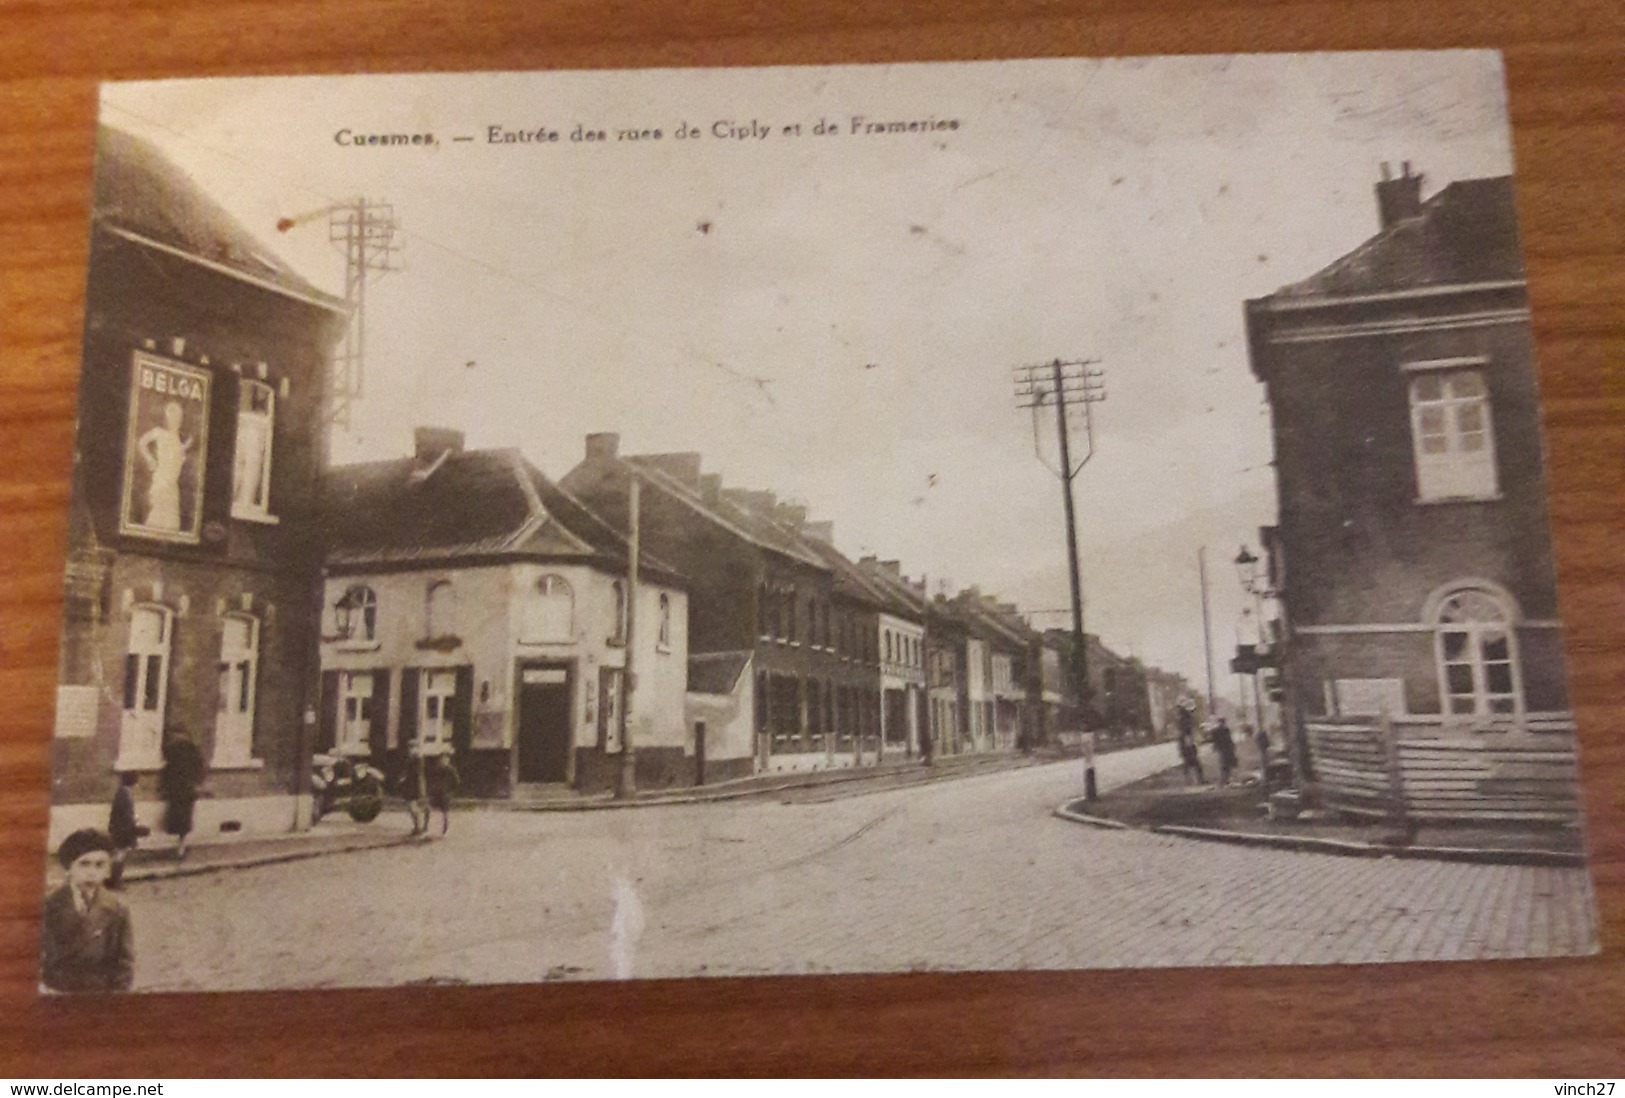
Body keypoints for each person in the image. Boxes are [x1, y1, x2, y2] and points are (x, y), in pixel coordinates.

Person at [40, 828, 134, 993]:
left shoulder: (117, 909)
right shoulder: (49, 906)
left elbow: (124, 964)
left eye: (100, 865)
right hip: (58, 994)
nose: (92, 873)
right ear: (69, 868)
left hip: (99, 996)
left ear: (108, 871)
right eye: (84, 864)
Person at [136, 400, 191, 531]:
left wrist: (184, 450)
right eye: (173, 417)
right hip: (162, 481)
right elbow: (142, 442)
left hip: (172, 485)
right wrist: (150, 459)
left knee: (171, 520)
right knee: (159, 514)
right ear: (167, 418)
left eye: (179, 418)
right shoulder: (159, 433)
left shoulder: (177, 439)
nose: (176, 421)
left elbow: (177, 460)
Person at [159, 731, 204, 859]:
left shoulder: (173, 752)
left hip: (177, 791)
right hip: (187, 791)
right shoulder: (193, 753)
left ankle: (180, 846)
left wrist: (164, 787)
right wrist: (197, 785)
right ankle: (181, 846)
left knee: (177, 818)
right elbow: (199, 771)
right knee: (184, 819)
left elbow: (166, 771)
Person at [107, 772, 140, 889]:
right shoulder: (125, 795)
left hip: (119, 828)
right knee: (120, 854)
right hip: (122, 830)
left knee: (119, 854)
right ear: (133, 782)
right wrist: (134, 819)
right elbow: (126, 815)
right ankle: (115, 881)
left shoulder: (122, 792)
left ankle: (113, 879)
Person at [424, 753, 460, 836]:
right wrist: (431, 789)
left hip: (445, 794)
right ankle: (425, 827)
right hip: (435, 793)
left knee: (445, 813)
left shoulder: (451, 770)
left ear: (448, 760)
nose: (442, 761)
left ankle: (445, 829)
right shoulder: (436, 769)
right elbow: (431, 779)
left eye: (444, 759)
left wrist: (450, 792)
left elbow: (457, 781)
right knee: (427, 809)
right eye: (441, 759)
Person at [1175, 702, 1204, 785]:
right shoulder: (1185, 720)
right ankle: (1198, 780)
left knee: (1188, 764)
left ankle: (1189, 780)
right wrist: (1191, 746)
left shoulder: (1180, 719)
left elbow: (1183, 734)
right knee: (1195, 764)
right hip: (1187, 746)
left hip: (1184, 745)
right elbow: (1187, 733)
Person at [1211, 716, 1238, 787]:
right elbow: (1227, 740)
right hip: (1225, 749)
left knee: (1225, 765)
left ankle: (1224, 780)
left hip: (1224, 749)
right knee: (1225, 765)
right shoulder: (1223, 730)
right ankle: (1224, 780)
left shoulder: (1217, 730)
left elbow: (1215, 741)